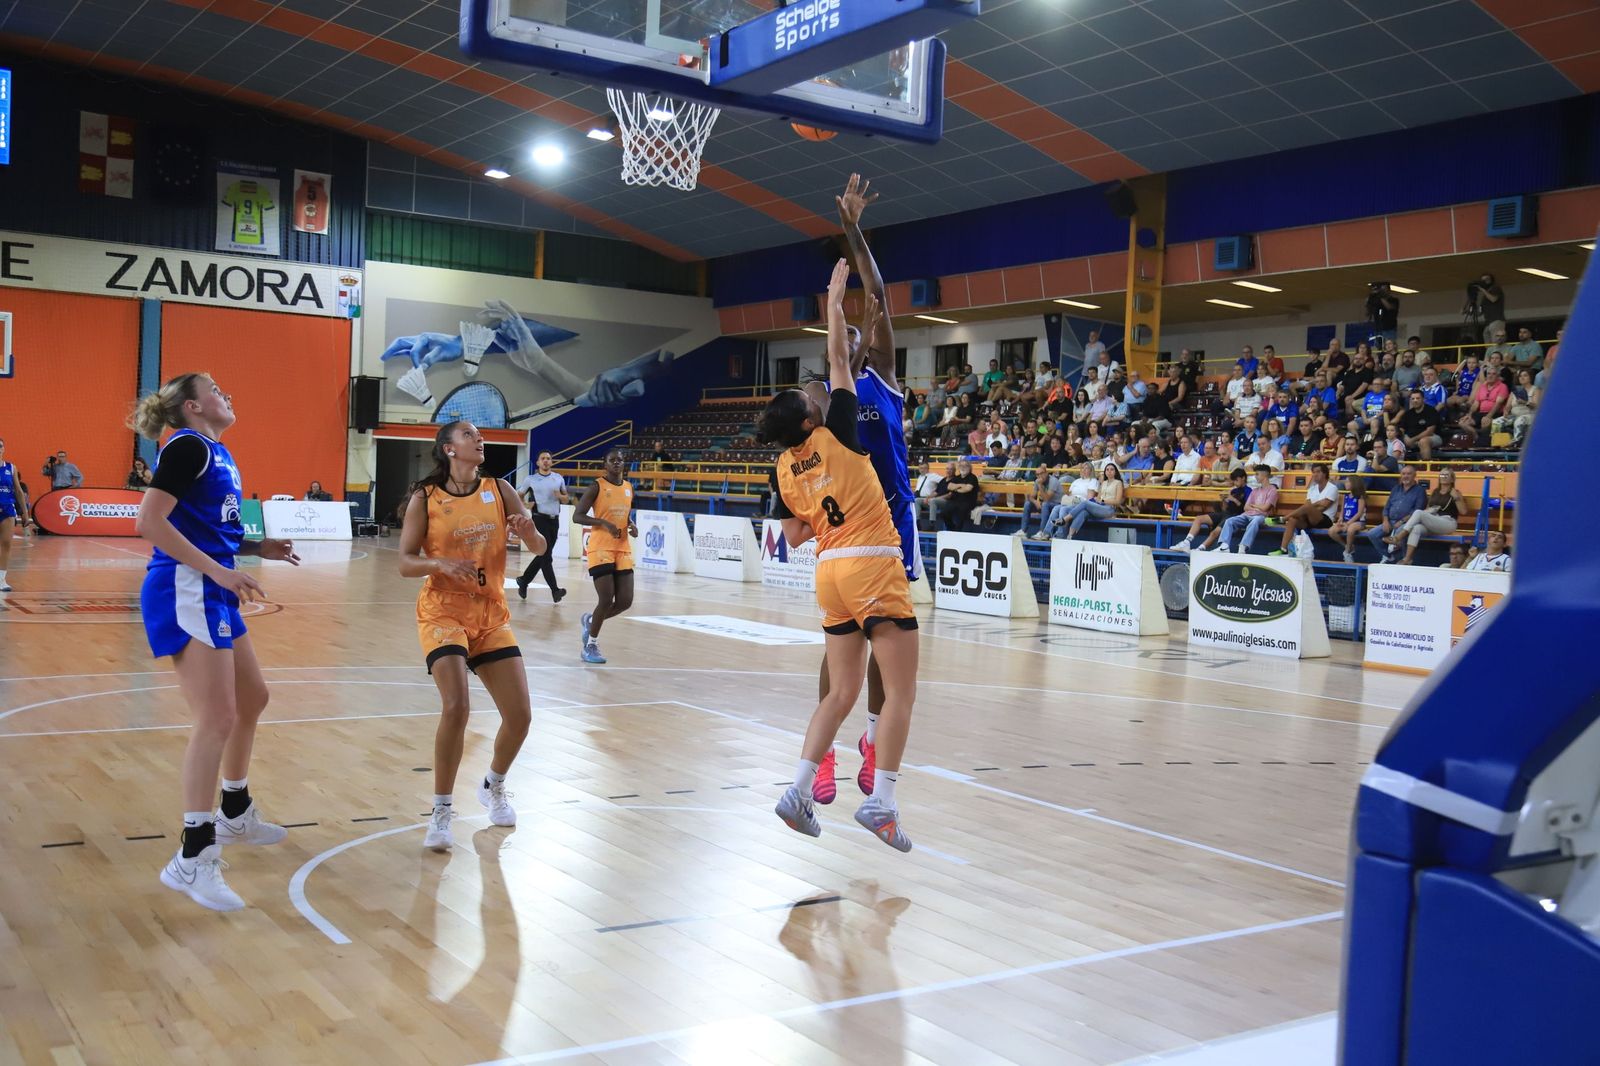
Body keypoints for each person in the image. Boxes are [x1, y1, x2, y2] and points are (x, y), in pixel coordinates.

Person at [761, 259, 918, 852]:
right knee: (900, 693)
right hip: (874, 559)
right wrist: (833, 302)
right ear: (810, 417)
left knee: (840, 691)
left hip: (827, 572)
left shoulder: (784, 466)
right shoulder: (842, 430)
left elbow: (796, 536)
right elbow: (836, 360)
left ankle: (798, 790)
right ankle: (881, 803)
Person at [130, 373, 302, 911]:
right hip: (187, 586)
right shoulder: (185, 447)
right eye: (216, 389)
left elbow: (203, 525)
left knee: (253, 699)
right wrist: (221, 573)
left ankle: (233, 812)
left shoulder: (213, 451)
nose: (227, 393)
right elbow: (149, 523)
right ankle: (192, 857)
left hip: (210, 583)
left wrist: (255, 546)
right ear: (192, 406)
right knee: (217, 718)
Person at [397, 420, 545, 851]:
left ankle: (493, 784)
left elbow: (538, 548)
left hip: (491, 614)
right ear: (448, 449)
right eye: (469, 435)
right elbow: (405, 563)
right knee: (457, 705)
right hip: (443, 611)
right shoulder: (425, 499)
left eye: (480, 436)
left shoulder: (500, 490)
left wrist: (529, 533)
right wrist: (439, 565)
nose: (479, 439)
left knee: (520, 717)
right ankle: (441, 811)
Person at [572, 446, 638, 664]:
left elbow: (624, 514)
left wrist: (631, 525)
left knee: (625, 601)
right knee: (606, 598)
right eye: (612, 460)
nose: (616, 463)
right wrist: (602, 523)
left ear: (624, 463)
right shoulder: (596, 487)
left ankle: (591, 620)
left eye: (620, 460)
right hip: (600, 548)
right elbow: (577, 516)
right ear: (605, 464)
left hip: (622, 547)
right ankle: (590, 645)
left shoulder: (629, 487)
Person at [516, 449, 569, 602]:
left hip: (555, 520)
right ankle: (555, 590)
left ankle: (524, 580)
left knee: (544, 555)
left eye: (548, 458)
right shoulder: (531, 479)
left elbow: (566, 499)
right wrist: (525, 505)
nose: (546, 460)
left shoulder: (558, 478)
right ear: (538, 462)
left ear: (551, 462)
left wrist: (560, 496)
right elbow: (518, 495)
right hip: (540, 519)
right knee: (546, 557)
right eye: (543, 458)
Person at [1385, 469, 1463, 566]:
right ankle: (1407, 559)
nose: (1443, 477)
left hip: (1448, 522)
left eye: (1446, 475)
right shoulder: (1436, 491)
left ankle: (1398, 537)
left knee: (1418, 512)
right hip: (1434, 520)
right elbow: (1427, 508)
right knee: (1416, 528)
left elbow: (1463, 511)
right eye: (1442, 475)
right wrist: (1430, 511)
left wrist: (1456, 497)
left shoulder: (1456, 492)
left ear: (1452, 479)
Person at [1173, 466, 1249, 552]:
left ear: (1243, 478)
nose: (1235, 483)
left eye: (1237, 480)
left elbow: (1246, 508)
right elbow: (1225, 508)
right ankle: (1186, 542)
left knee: (1214, 532)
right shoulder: (1233, 491)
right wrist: (1224, 500)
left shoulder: (1249, 491)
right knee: (1199, 518)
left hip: (1236, 516)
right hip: (1225, 513)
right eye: (1234, 480)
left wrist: (1233, 499)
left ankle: (1200, 549)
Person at [1269, 463, 1338, 556]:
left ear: (1325, 473)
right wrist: (1317, 503)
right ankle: (1283, 549)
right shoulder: (1312, 489)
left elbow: (1324, 506)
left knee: (1307, 507)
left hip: (1326, 519)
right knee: (1293, 520)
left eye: (1318, 472)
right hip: (1310, 518)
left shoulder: (1332, 488)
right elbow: (1309, 506)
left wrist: (1311, 507)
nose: (1315, 474)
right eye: (1313, 472)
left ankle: (1283, 518)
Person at [1364, 464, 1427, 563]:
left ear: (1415, 475)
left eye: (1409, 474)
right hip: (1390, 521)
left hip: (1408, 523)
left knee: (1400, 533)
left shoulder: (1420, 491)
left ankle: (1404, 560)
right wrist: (1385, 521)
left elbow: (1417, 510)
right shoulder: (1396, 488)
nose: (1405, 476)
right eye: (1403, 474)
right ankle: (1388, 556)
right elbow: (1387, 507)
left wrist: (1402, 521)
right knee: (1372, 534)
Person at [1213, 465, 1279, 554]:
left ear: (1264, 475)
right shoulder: (1255, 490)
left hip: (1261, 517)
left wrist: (1254, 506)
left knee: (1255, 520)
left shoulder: (1272, 490)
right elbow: (1246, 507)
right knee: (1229, 521)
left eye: (1257, 474)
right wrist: (1258, 506)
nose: (1255, 476)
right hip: (1247, 514)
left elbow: (1265, 508)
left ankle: (1243, 547)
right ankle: (1224, 546)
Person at [1058, 462, 1125, 540]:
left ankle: (1065, 519)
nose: (1109, 471)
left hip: (1109, 508)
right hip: (1099, 507)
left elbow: (1118, 501)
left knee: (1085, 503)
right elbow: (1098, 497)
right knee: (1083, 512)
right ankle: (1070, 536)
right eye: (1107, 470)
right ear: (1105, 472)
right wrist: (1096, 500)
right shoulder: (1103, 483)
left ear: (1115, 472)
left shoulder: (1118, 483)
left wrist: (1103, 501)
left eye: (1112, 470)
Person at [0, 438, 29, 592]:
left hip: (7, 509)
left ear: (4, 448)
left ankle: (2, 580)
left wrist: (25, 512)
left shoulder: (10, 468)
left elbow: (18, 491)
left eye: (0, 446)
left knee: (6, 543)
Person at [1328, 475, 1369, 564]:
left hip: (1359, 522)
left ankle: (1347, 552)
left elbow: (1359, 513)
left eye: (1347, 481)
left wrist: (1348, 523)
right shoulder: (1346, 496)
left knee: (1351, 529)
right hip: (1346, 521)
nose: (1345, 483)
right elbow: (1342, 510)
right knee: (1331, 531)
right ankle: (1348, 546)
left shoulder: (1360, 496)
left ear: (1354, 483)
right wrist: (1340, 519)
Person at [934, 457, 980, 530]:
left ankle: (958, 531)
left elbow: (967, 489)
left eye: (965, 466)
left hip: (968, 502)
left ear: (969, 467)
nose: (963, 467)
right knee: (943, 513)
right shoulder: (957, 478)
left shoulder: (972, 477)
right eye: (961, 466)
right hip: (955, 501)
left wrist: (956, 488)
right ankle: (952, 529)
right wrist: (961, 486)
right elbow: (949, 486)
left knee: (961, 512)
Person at [1399, 388, 1443, 461]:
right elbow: (1401, 429)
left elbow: (1430, 431)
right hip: (1411, 439)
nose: (1415, 400)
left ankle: (1426, 468)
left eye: (1418, 398)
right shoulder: (1408, 413)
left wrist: (1413, 439)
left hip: (1432, 437)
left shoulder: (1431, 411)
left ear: (1423, 399)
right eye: (1413, 399)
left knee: (1423, 441)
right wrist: (1405, 437)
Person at [1019, 464, 1061, 538]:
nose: (1039, 476)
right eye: (1037, 474)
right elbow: (1031, 497)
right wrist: (1035, 502)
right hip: (1046, 505)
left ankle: (1042, 532)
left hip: (1056, 506)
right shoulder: (1037, 481)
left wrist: (1040, 486)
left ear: (1046, 473)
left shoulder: (1053, 481)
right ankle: (1023, 531)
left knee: (1045, 504)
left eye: (1041, 473)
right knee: (1027, 504)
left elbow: (1047, 499)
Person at [1464, 273, 1504, 340]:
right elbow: (1480, 312)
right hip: (1488, 322)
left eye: (1487, 279)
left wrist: (1482, 290)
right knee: (1488, 347)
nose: (1484, 282)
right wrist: (1467, 311)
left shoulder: (1495, 288)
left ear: (1491, 280)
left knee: (1496, 343)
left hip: (1496, 320)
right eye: (1483, 280)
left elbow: (1493, 299)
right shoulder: (1484, 297)